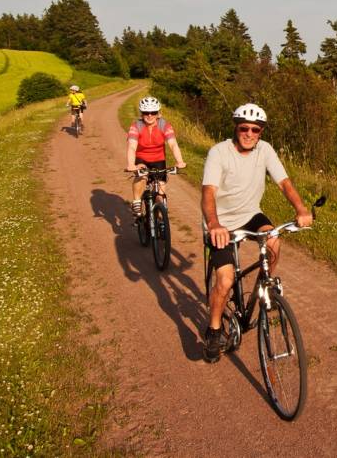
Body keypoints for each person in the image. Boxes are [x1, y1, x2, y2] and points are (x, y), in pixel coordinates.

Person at [201, 103, 312, 363]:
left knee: (273, 241)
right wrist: (214, 224)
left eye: (255, 129)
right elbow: (208, 193)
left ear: (261, 131)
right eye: (244, 128)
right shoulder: (219, 153)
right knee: (226, 280)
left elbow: (284, 183)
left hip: (251, 213)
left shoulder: (265, 150)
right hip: (222, 222)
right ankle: (214, 329)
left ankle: (263, 289)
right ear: (236, 127)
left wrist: (301, 208)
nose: (249, 133)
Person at [125, 96, 187, 217]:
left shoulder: (165, 125)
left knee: (161, 193)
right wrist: (131, 164)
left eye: (153, 112)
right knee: (142, 177)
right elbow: (132, 147)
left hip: (159, 160)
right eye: (146, 113)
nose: (149, 115)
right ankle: (137, 201)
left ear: (158, 113)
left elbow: (173, 144)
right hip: (142, 159)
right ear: (141, 114)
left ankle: (160, 219)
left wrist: (180, 161)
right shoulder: (136, 126)